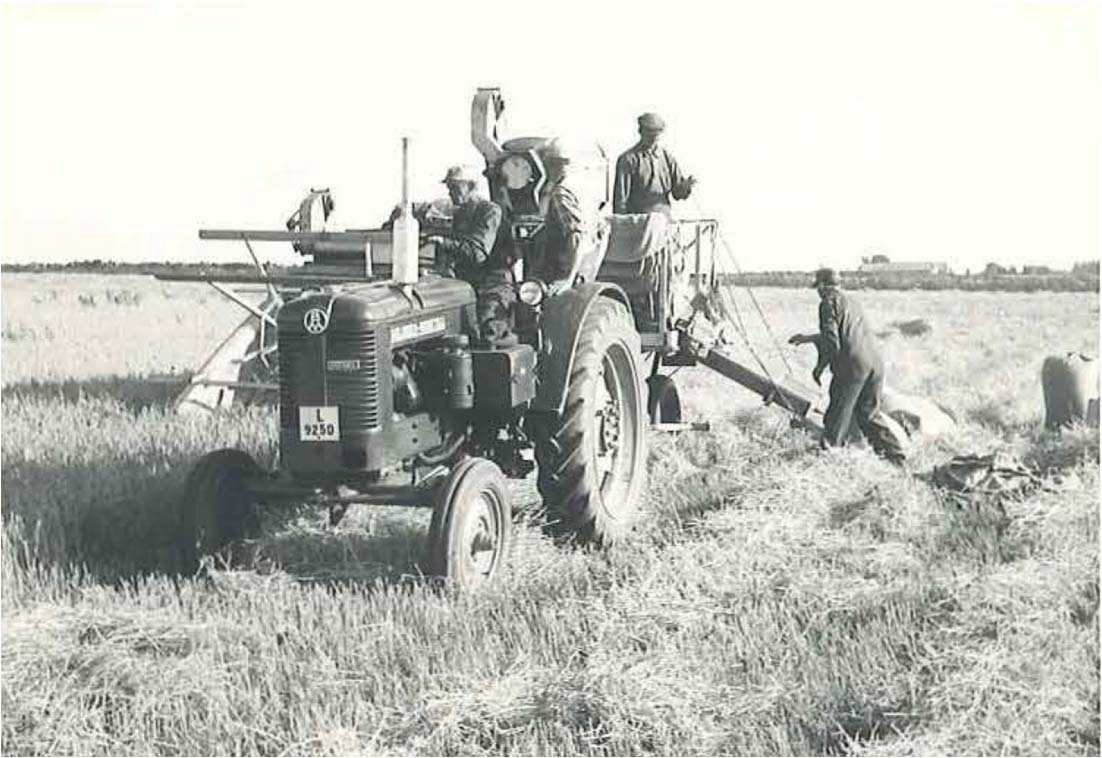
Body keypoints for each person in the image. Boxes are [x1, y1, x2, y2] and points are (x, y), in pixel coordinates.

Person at [788, 267, 906, 463]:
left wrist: (819, 367)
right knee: (868, 414)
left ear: (824, 286)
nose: (818, 291)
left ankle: (830, 460)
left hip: (853, 367)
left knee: (837, 416)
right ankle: (897, 459)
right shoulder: (853, 301)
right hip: (875, 363)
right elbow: (848, 333)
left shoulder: (828, 302)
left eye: (818, 287)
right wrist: (808, 338)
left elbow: (832, 341)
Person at [425, 165, 516, 346]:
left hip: (493, 284)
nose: (450, 193)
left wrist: (443, 242)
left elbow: (477, 253)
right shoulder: (460, 214)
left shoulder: (490, 211)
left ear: (472, 187)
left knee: (487, 331)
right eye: (449, 188)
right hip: (466, 284)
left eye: (455, 188)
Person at [612, 112, 697, 215]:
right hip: (638, 224)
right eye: (649, 135)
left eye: (656, 136)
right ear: (640, 131)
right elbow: (620, 201)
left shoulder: (668, 158)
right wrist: (622, 226)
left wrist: (685, 186)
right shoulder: (628, 159)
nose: (653, 140)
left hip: (664, 223)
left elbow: (677, 194)